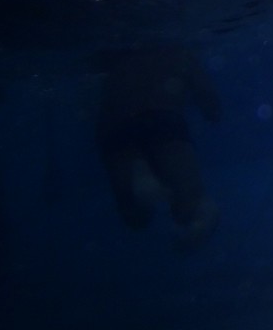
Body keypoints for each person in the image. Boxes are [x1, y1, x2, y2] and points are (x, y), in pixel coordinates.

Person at [92, 44, 221, 247]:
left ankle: (137, 175)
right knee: (189, 199)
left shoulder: (111, 56)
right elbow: (211, 103)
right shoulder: (175, 51)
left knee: (134, 216)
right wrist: (210, 109)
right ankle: (196, 215)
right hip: (162, 120)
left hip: (117, 125)